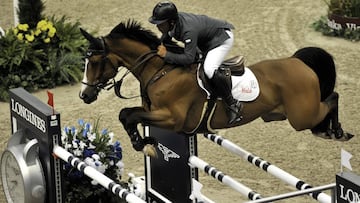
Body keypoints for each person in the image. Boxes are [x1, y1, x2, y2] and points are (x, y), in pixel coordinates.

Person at [149, 1, 243, 124]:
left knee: (209, 69)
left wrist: (166, 55)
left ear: (171, 22)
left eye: (160, 24)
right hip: (205, 40)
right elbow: (166, 37)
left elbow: (188, 58)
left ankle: (233, 104)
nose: (157, 27)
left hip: (221, 40)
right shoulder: (173, 23)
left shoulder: (188, 30)